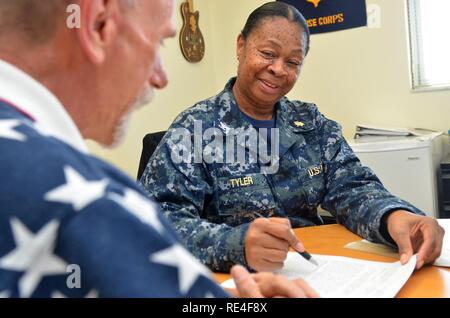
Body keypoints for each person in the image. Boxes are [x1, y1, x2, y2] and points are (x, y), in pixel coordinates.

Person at [0, 0, 318, 298]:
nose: (160, 77)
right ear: (98, 25)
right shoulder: (81, 204)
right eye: (157, 43)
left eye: (292, 62)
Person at [140, 1, 444, 273]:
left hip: (317, 271)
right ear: (241, 45)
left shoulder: (311, 123)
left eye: (293, 62)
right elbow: (154, 222)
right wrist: (236, 244)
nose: (278, 69)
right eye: (268, 53)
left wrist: (396, 217)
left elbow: (353, 187)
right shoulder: (195, 129)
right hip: (236, 281)